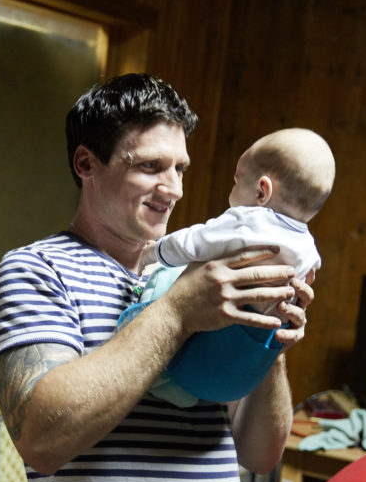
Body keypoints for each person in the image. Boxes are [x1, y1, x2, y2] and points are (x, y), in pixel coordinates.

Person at [0, 73, 313, 482]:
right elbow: (42, 440)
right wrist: (177, 313)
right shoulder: (35, 270)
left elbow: (259, 455)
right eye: (151, 167)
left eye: (180, 169)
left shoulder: (204, 272)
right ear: (86, 163)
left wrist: (268, 337)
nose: (174, 188)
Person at [119, 128, 335, 407]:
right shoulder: (309, 250)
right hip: (242, 372)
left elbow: (194, 241)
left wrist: (153, 253)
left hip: (207, 352)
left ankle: (134, 337)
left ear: (262, 191)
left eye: (237, 181)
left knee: (164, 276)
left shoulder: (249, 221)